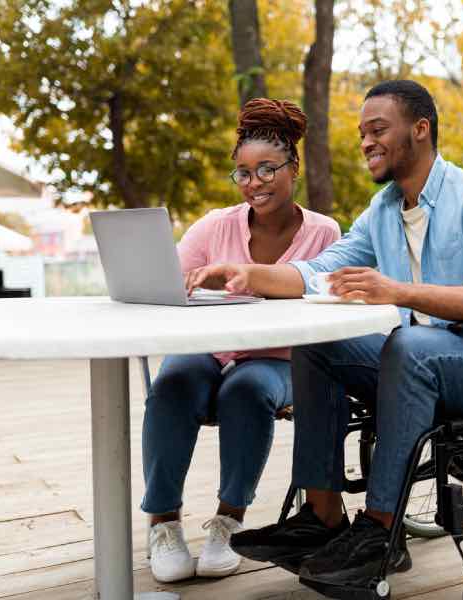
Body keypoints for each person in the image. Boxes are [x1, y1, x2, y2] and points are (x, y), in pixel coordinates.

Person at [185, 80, 463, 586]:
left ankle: (381, 530)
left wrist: (401, 293)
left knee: (408, 343)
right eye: (361, 133)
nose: (366, 142)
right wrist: (241, 271)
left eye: (377, 130)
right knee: (316, 336)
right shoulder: (383, 212)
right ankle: (322, 516)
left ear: (420, 129)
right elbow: (316, 271)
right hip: (412, 360)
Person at [142, 98, 341, 583]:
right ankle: (163, 523)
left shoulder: (323, 233)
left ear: (293, 168)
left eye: (267, 169)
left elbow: (326, 299)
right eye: (244, 173)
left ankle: (228, 522)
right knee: (173, 383)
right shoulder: (215, 225)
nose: (255, 183)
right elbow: (164, 280)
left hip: (279, 360)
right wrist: (191, 283)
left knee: (246, 391)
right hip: (212, 348)